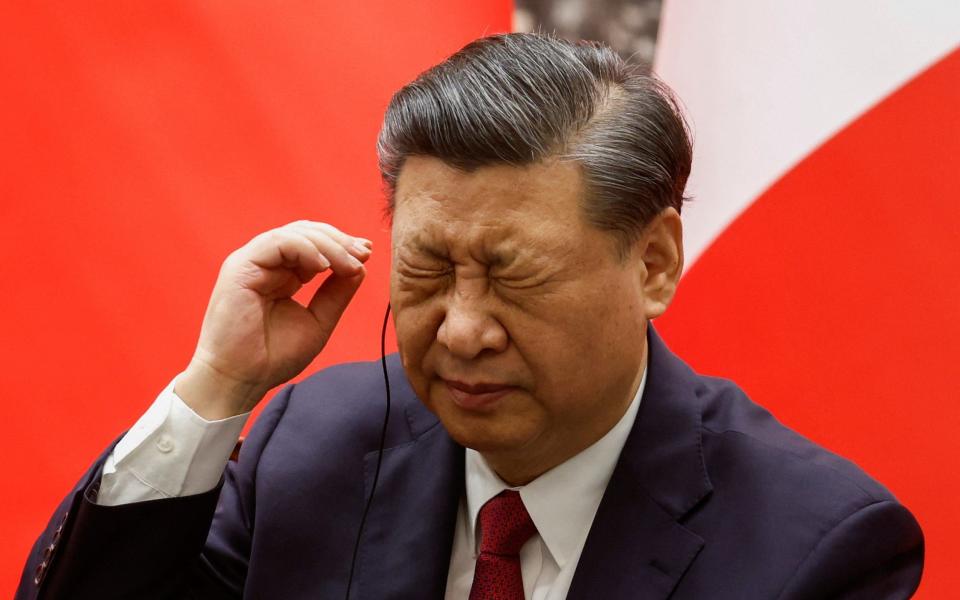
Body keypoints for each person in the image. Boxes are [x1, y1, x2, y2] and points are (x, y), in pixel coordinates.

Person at [17, 33, 922, 600]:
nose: (460, 329)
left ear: (651, 263)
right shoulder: (313, 445)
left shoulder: (817, 548)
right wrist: (216, 387)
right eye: (426, 269)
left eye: (512, 276)